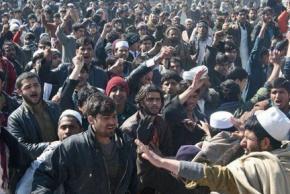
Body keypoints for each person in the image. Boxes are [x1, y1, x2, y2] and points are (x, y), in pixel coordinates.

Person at [136, 106, 290, 194]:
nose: (242, 143)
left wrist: (161, 162)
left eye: (248, 139)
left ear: (265, 142)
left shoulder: (257, 166)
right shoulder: (285, 155)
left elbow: (215, 175)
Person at [31, 94, 137, 193]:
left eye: (114, 116)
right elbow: (45, 176)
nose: (112, 122)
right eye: (106, 118)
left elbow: (133, 182)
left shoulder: (126, 144)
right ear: (91, 119)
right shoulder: (73, 146)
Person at [16, 109, 83, 194]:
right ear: (58, 131)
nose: (67, 131)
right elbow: (26, 185)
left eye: (72, 127)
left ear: (81, 130)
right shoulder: (51, 152)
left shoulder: (88, 150)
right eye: (63, 127)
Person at [7, 72, 60, 159]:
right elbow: (21, 148)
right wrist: (50, 146)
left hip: (60, 160)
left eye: (36, 85)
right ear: (20, 92)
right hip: (36, 166)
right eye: (28, 87)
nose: (33, 90)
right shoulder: (15, 118)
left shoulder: (54, 107)